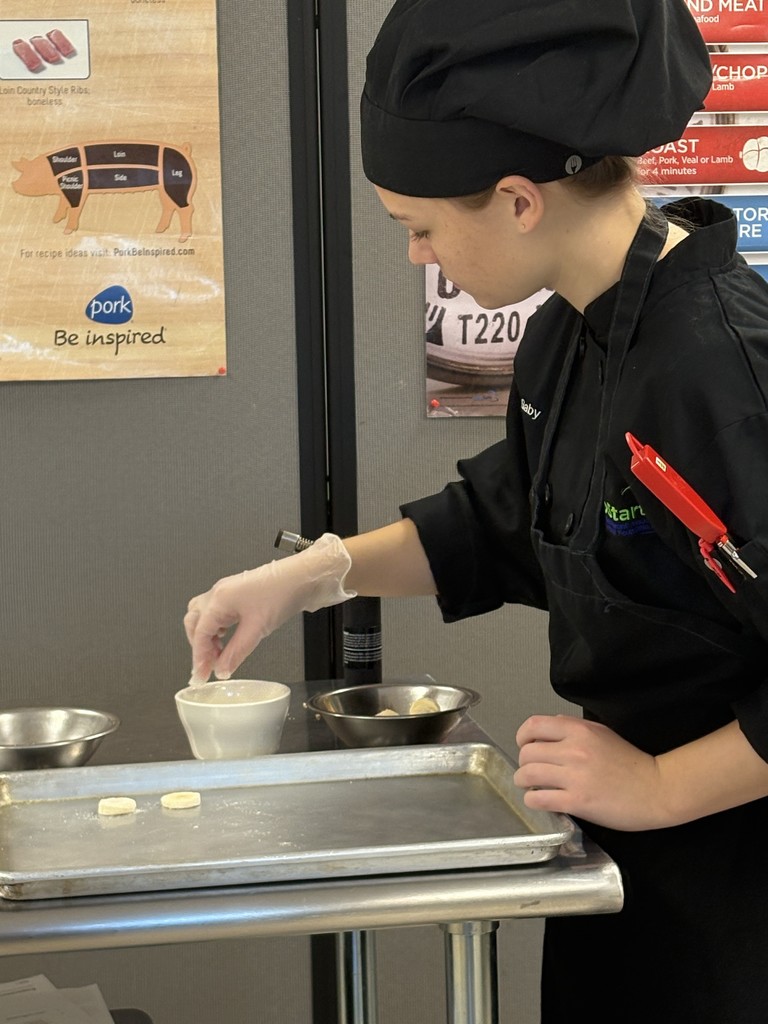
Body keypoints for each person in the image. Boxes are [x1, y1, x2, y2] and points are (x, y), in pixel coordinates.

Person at [184, 1, 768, 1020]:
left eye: (419, 227)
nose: (415, 256)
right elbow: (507, 519)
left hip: (737, 880)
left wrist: (665, 786)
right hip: (623, 851)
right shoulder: (569, 334)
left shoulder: (718, 370)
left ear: (516, 199)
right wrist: (312, 573)